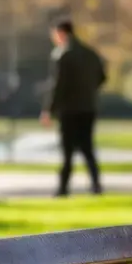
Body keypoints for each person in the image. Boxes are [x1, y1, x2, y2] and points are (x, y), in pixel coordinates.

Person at [42, 19, 107, 196]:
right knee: (87, 147)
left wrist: (49, 109)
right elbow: (102, 77)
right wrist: (88, 90)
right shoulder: (91, 54)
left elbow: (58, 85)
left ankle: (63, 187)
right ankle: (95, 184)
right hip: (88, 107)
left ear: (61, 33)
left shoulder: (62, 54)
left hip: (69, 109)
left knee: (67, 150)